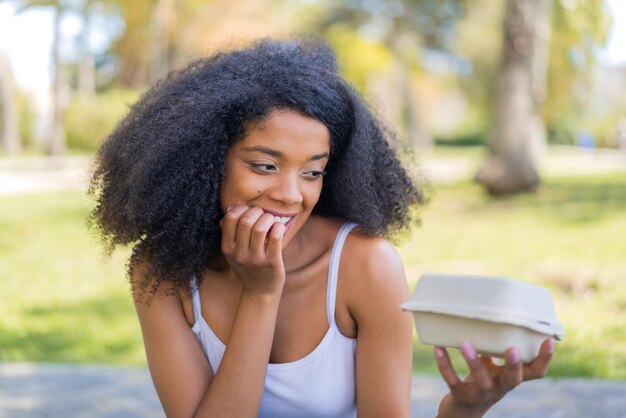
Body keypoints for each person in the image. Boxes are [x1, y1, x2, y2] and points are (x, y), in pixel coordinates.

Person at [88, 37, 554, 418]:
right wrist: (261, 295)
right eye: (265, 166)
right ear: (206, 162)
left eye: (313, 171)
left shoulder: (365, 265)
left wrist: (462, 411)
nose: (292, 195)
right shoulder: (161, 272)